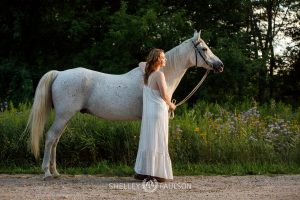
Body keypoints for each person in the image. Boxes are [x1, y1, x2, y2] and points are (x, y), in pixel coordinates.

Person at [134, 48, 176, 182]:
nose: (165, 60)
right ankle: (155, 173)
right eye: (163, 57)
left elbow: (142, 64)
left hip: (149, 113)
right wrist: (171, 105)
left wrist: (149, 63)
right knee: (158, 141)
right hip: (158, 112)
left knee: (149, 140)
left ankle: (144, 171)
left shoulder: (147, 74)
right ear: (157, 60)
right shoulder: (159, 75)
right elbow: (164, 95)